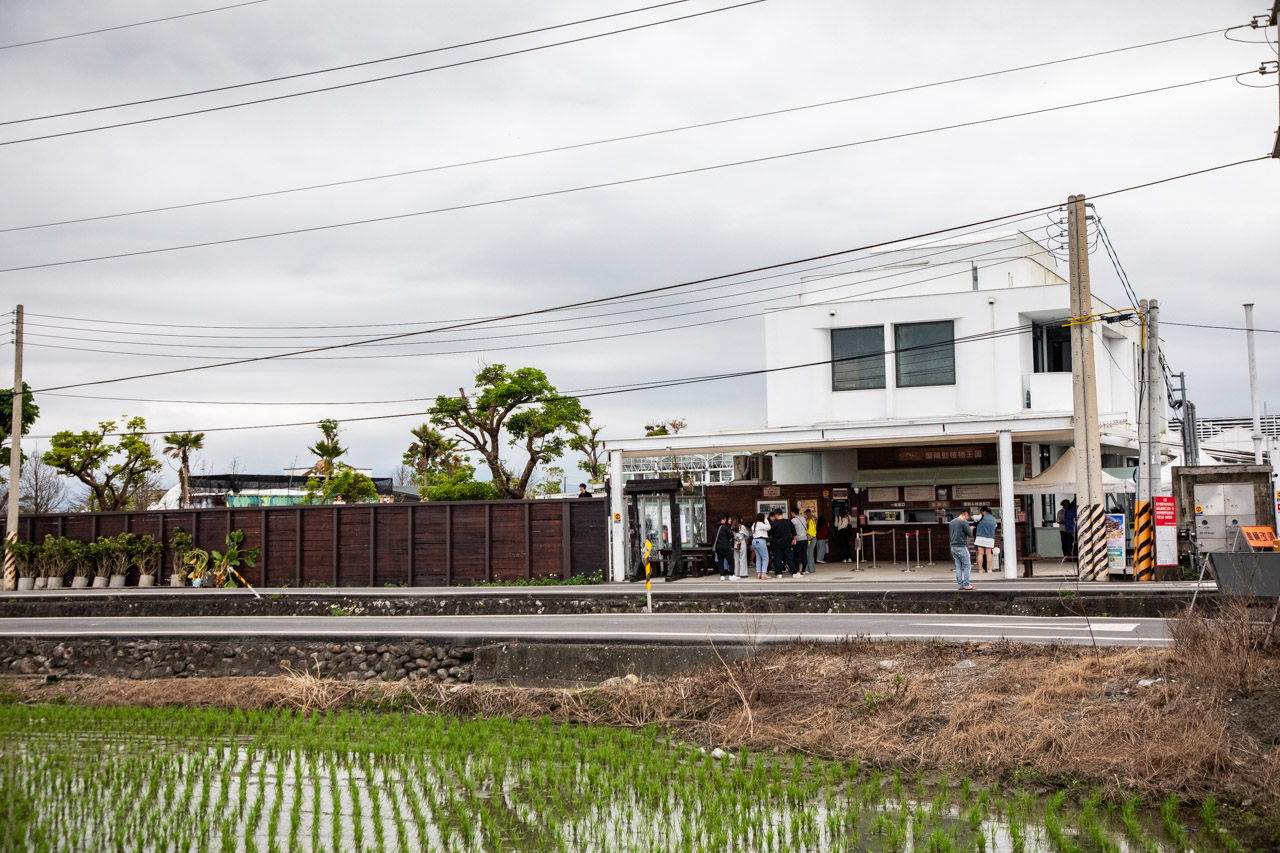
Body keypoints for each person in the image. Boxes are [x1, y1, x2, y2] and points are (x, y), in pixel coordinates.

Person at [949, 509, 974, 590]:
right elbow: (969, 533)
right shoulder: (963, 522)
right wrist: (971, 529)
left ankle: (960, 585)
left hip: (953, 546)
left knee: (958, 566)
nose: (967, 519)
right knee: (967, 565)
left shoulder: (952, 522)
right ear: (966, 515)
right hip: (961, 546)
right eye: (967, 517)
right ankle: (966, 584)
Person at [769, 511, 798, 576]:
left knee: (777, 559)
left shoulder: (774, 524)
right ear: (782, 514)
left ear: (776, 515)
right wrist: (794, 539)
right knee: (790, 558)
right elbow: (794, 532)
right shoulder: (788, 522)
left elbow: (770, 533)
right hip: (787, 543)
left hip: (776, 543)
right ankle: (794, 572)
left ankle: (779, 573)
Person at [973, 507, 997, 573]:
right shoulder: (994, 519)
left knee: (980, 553)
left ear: (984, 511)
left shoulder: (981, 516)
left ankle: (980, 569)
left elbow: (973, 517)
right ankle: (989, 569)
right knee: (988, 554)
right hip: (990, 537)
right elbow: (995, 527)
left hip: (980, 536)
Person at [712, 515, 735, 580]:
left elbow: (713, 539)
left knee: (720, 561)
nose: (725, 521)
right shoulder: (725, 527)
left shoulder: (714, 528)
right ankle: (731, 575)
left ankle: (722, 575)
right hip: (726, 546)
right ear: (722, 520)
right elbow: (730, 536)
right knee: (730, 560)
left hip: (718, 547)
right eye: (724, 519)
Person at [751, 513, 772, 580]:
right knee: (766, 558)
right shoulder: (761, 524)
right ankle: (763, 574)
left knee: (758, 558)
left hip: (754, 541)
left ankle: (759, 573)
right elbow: (768, 527)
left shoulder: (754, 524)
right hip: (761, 541)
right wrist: (766, 520)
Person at [790, 509, 810, 576]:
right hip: (805, 538)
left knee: (797, 555)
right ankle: (804, 570)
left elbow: (791, 529)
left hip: (798, 539)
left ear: (793, 513)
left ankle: (797, 570)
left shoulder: (793, 520)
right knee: (804, 555)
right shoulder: (803, 519)